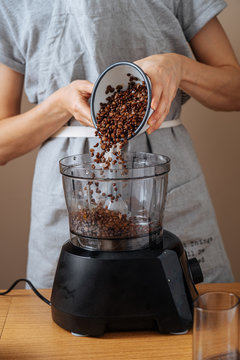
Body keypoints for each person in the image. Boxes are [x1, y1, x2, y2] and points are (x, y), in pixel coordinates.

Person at [0, 0, 240, 288]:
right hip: (73, 196)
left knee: (186, 312)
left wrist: (179, 66)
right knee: (69, 313)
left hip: (167, 187)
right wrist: (60, 105)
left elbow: (234, 92)